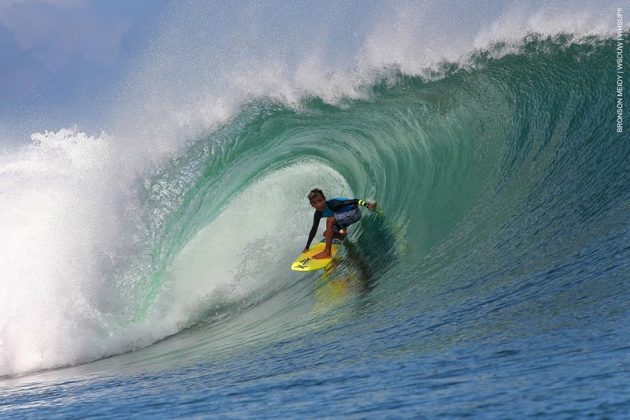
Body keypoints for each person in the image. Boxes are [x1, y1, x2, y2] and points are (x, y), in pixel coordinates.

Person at [304, 188, 377, 259]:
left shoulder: (333, 204)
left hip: (354, 212)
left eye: (320, 201)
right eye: (314, 203)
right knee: (327, 234)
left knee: (330, 220)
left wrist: (367, 205)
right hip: (342, 217)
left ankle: (327, 252)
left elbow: (354, 201)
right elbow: (313, 230)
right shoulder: (318, 214)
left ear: (324, 199)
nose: (318, 204)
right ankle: (344, 238)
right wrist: (307, 246)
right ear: (311, 205)